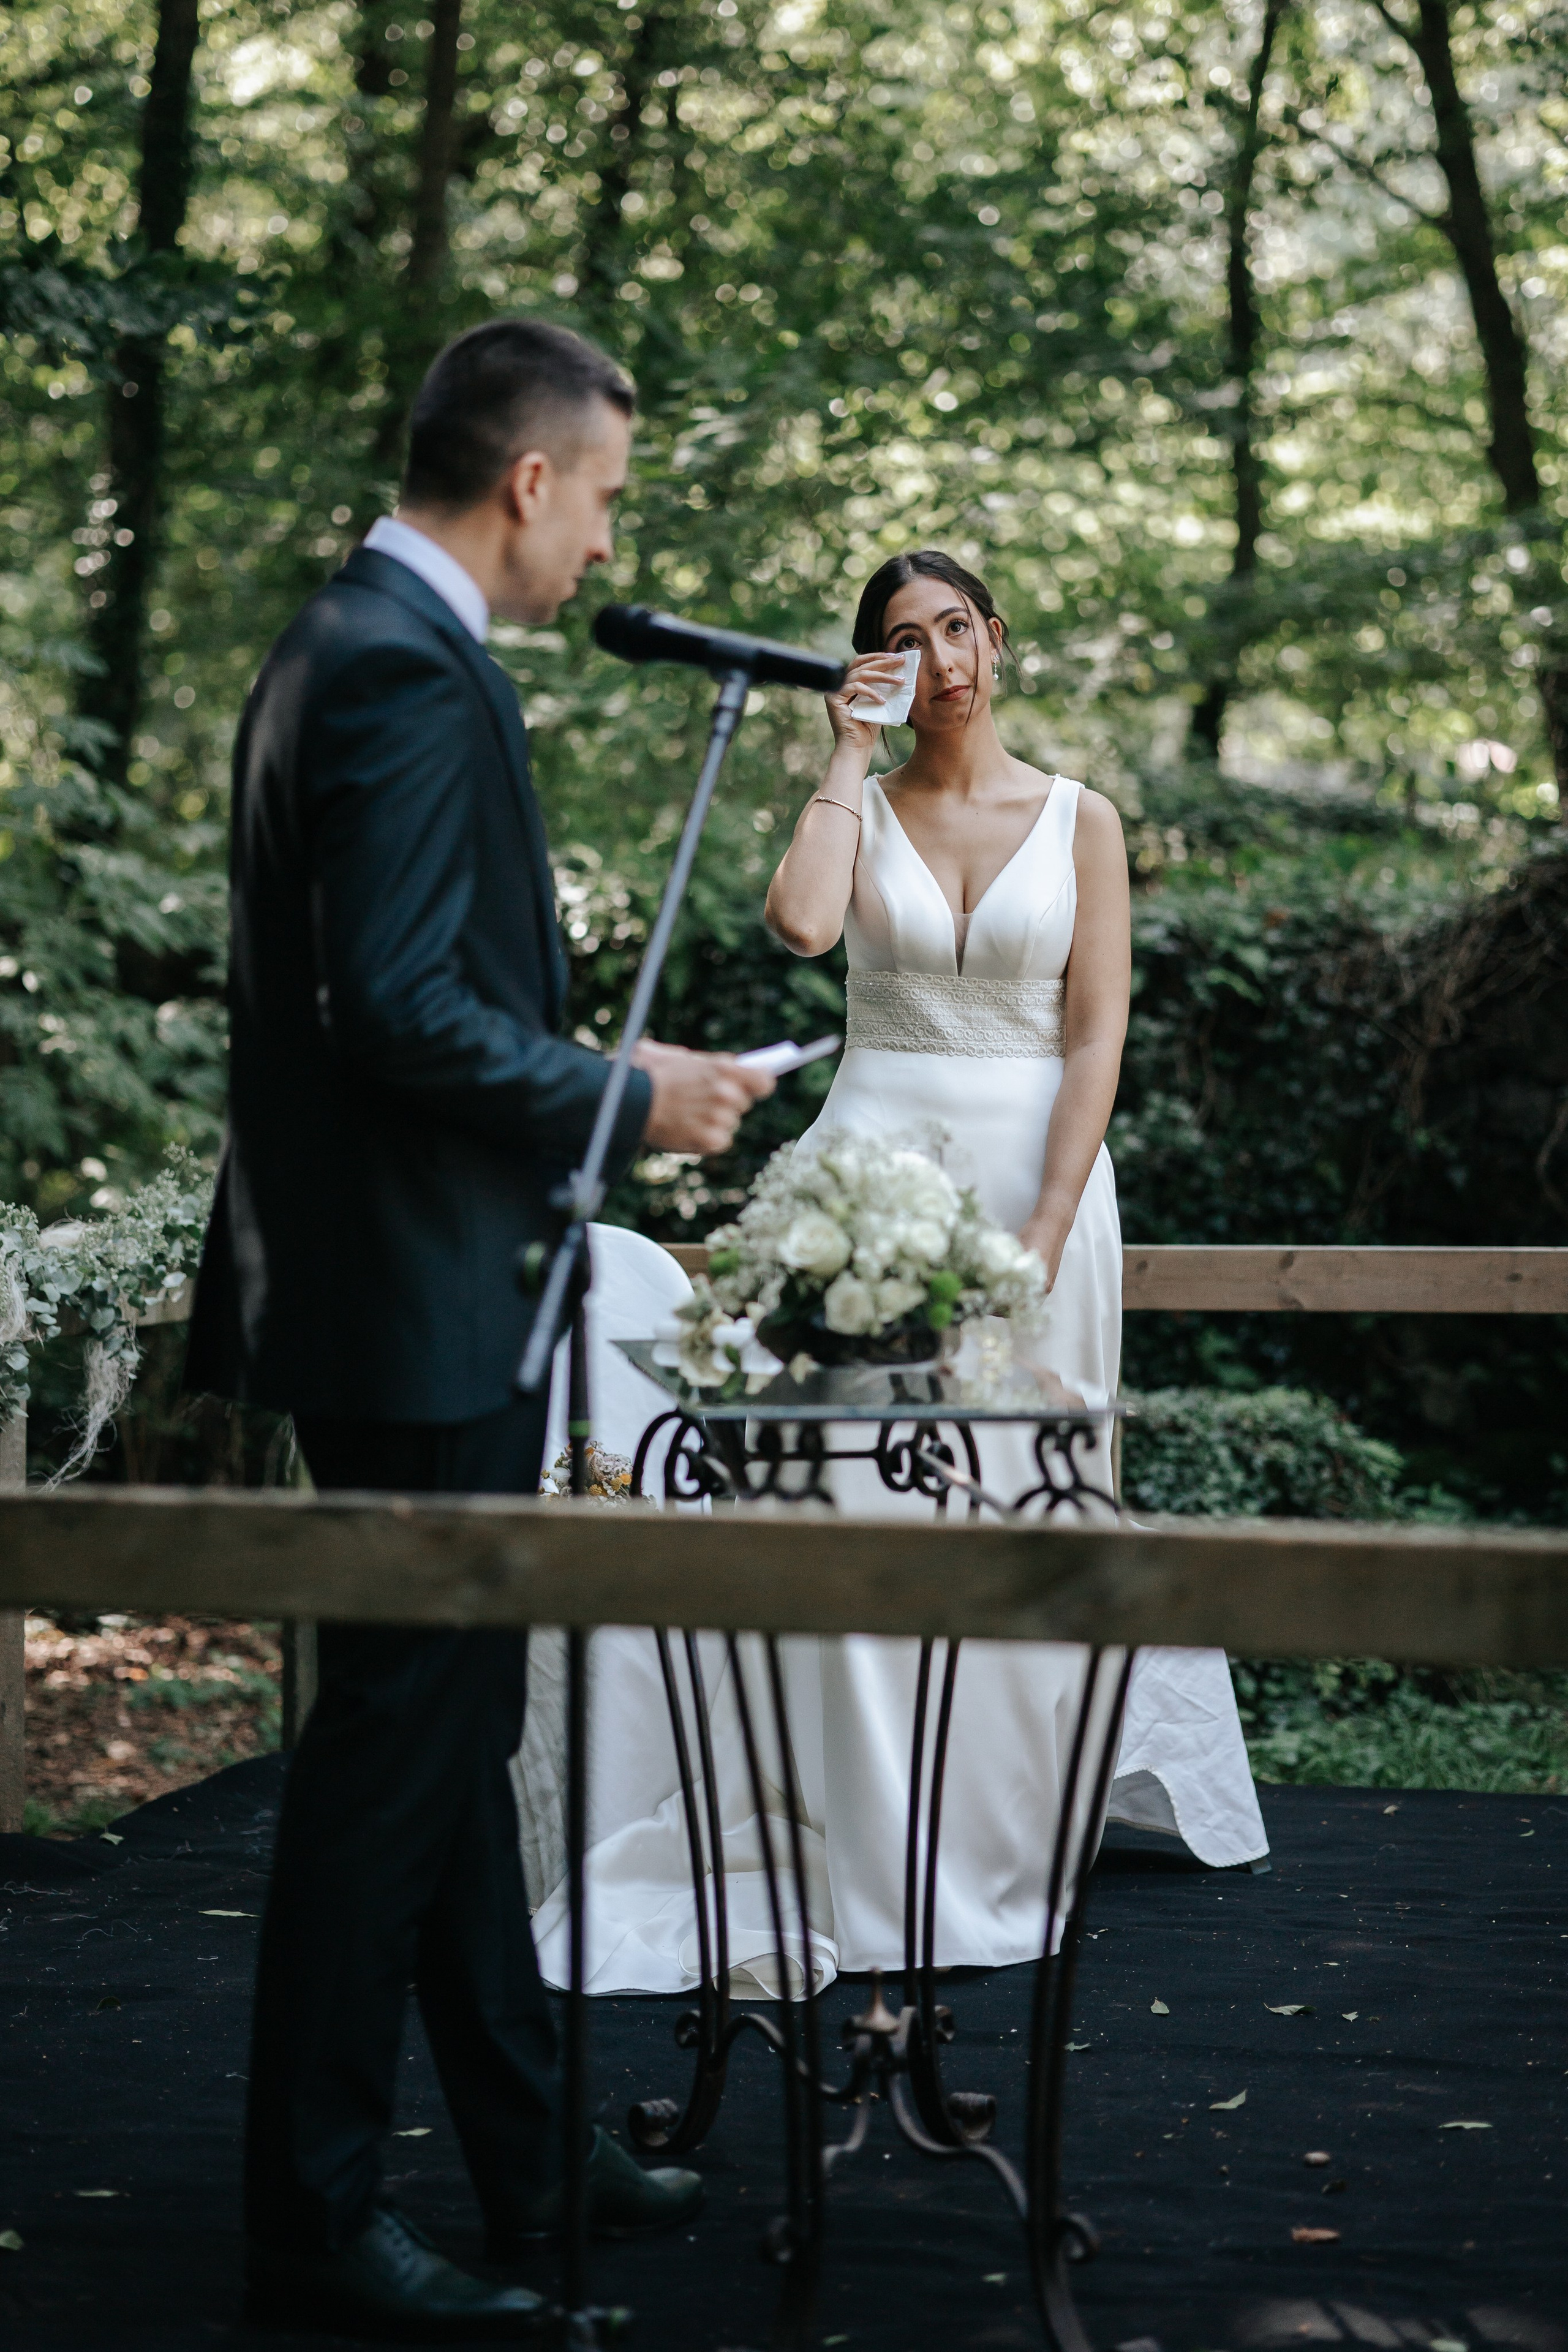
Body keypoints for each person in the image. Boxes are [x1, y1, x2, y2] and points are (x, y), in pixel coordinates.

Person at [184, 317, 773, 2342]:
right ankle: (314, 2215)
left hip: (403, 1289)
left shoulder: (344, 640)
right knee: (388, 1765)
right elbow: (395, 1012)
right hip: (418, 1300)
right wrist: (631, 1100)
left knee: (448, 1741)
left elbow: (396, 996)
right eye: (602, 497)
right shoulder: (400, 669)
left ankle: (526, 2154)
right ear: (528, 480)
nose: (606, 543)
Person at [513, 550, 1264, 2007]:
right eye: (905, 641)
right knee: (855, 1499)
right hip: (863, 1189)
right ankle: (857, 1830)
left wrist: (1045, 1225)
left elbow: (1095, 1034)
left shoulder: (1083, 820)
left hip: (1039, 1190)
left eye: (956, 628)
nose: (941, 660)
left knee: (1019, 1504)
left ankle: (1000, 1834)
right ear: (876, 665)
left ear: (997, 636)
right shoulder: (857, 800)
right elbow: (801, 925)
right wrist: (844, 753)